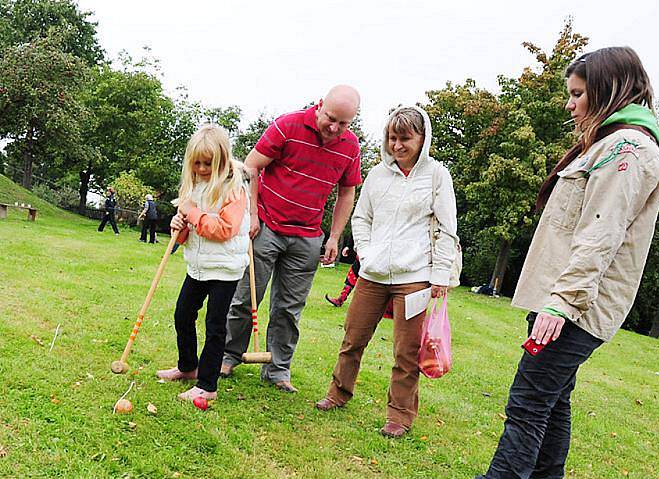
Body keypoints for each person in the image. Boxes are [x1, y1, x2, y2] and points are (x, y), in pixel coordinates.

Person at [421, 47, 659, 479]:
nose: (570, 104)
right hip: (563, 298)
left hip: (576, 303)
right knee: (555, 397)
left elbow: (601, 232)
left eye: (578, 94)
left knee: (529, 402)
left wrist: (563, 302)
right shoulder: (610, 144)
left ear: (608, 88)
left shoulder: (629, 150)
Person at [315, 106, 458, 438]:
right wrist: (366, 252)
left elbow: (447, 228)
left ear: (423, 139)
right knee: (353, 340)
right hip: (373, 275)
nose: (397, 145)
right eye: (392, 138)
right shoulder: (378, 175)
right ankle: (337, 394)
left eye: (405, 139)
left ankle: (399, 416)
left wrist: (439, 275)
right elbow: (361, 217)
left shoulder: (437, 176)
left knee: (406, 353)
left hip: (415, 277)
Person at [221, 85, 362, 393]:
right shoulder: (288, 126)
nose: (335, 128)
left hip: (308, 236)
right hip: (267, 226)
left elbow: (347, 191)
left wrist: (335, 236)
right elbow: (251, 166)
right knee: (246, 297)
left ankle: (278, 369)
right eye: (331, 118)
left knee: (289, 308)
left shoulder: (350, 147)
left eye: (345, 124)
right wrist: (253, 215)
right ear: (320, 105)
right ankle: (228, 355)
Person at [155, 124, 250, 405]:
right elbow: (190, 229)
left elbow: (223, 230)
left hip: (225, 268)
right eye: (196, 163)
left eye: (208, 163)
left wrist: (192, 213)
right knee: (182, 314)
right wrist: (179, 226)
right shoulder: (193, 185)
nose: (201, 168)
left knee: (215, 324)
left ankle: (207, 385)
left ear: (221, 159)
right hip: (197, 266)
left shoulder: (233, 189)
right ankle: (188, 367)